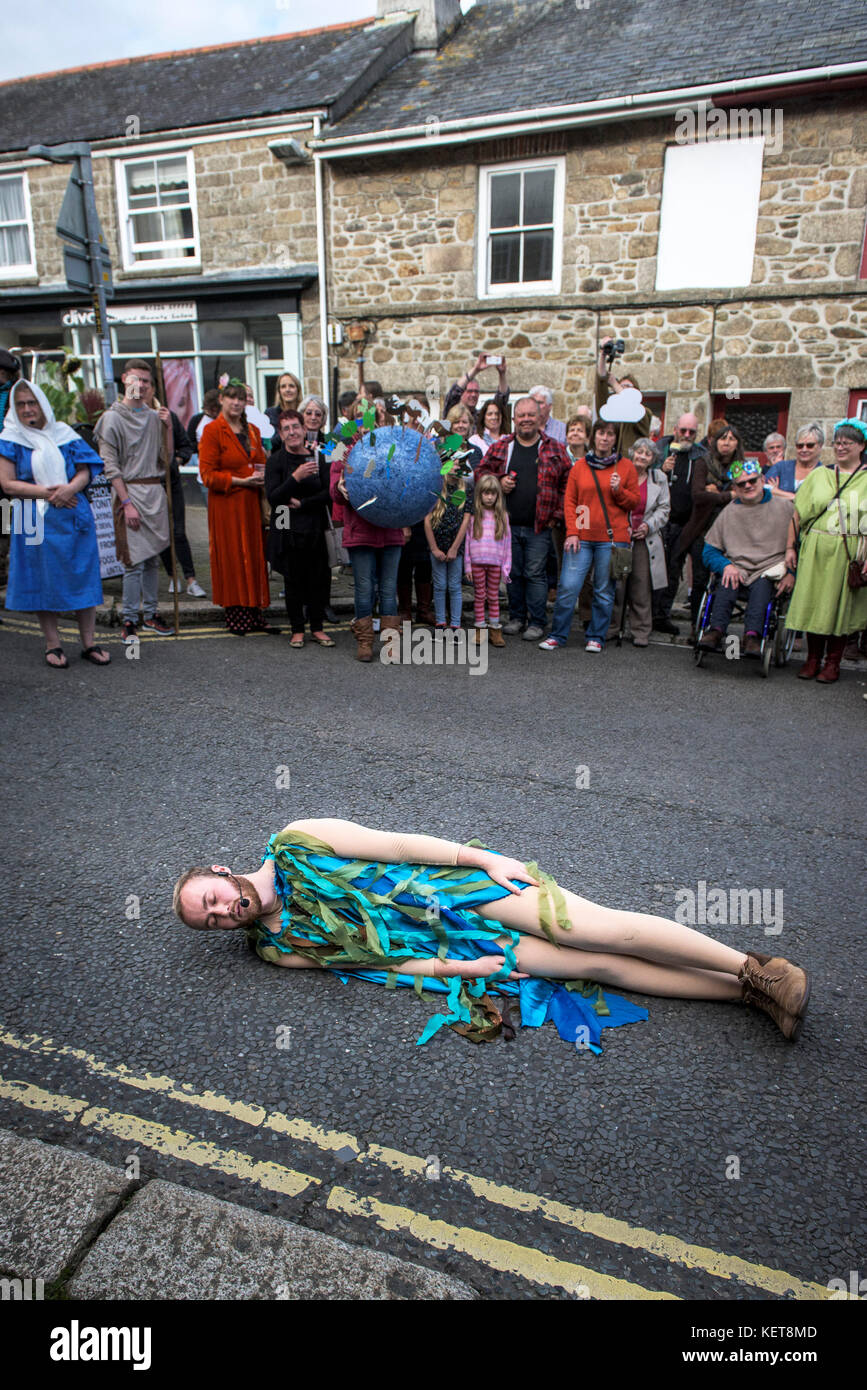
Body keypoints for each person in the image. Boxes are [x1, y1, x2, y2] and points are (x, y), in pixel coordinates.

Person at [173, 817, 812, 1044]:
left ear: (224, 874)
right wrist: (468, 972)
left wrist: (480, 860)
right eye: (209, 919)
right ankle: (749, 996)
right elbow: (380, 968)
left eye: (211, 897)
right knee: (596, 968)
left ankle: (758, 967)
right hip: (457, 946)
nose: (219, 911)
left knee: (599, 933)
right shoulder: (277, 949)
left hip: (463, 892)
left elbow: (396, 846)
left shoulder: (295, 841)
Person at [0, 380, 109, 667]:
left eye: (31, 402)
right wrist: (53, 493)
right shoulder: (10, 438)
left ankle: (89, 643)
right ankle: (53, 645)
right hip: (31, 516)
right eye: (20, 404)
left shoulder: (64, 433)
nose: (26, 409)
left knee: (82, 574)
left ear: (42, 404)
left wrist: (70, 490)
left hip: (72, 511)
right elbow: (7, 484)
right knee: (41, 579)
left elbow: (86, 471)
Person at [539, 418, 639, 653]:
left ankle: (596, 635)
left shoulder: (626, 468)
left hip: (612, 538)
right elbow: (570, 502)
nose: (605, 438)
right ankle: (558, 635)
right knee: (568, 587)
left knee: (604, 590)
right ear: (593, 436)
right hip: (582, 536)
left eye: (610, 434)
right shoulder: (580, 467)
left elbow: (633, 502)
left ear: (616, 439)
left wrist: (619, 490)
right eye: (601, 433)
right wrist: (572, 532)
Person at [476, 397, 571, 641]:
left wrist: (556, 517)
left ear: (540, 417)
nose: (526, 420)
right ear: (515, 419)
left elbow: (567, 486)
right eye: (521, 416)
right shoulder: (501, 446)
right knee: (512, 573)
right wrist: (498, 481)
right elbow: (480, 474)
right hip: (506, 525)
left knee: (535, 574)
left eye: (531, 415)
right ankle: (517, 618)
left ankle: (537, 622)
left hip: (539, 526)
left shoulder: (555, 448)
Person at [94, 359, 174, 643]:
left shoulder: (155, 417)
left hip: (154, 492)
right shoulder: (112, 418)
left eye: (146, 381)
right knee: (134, 563)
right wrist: (126, 503)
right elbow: (110, 466)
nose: (140, 385)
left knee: (153, 559)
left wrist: (168, 428)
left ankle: (150, 613)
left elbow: (167, 459)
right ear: (125, 380)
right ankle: (129, 618)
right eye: (135, 380)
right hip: (130, 493)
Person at [784, 419, 867, 684]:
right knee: (813, 604)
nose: (841, 448)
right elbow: (797, 515)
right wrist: (790, 548)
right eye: (838, 442)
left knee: (838, 608)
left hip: (847, 552)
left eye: (847, 443)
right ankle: (812, 659)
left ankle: (833, 663)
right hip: (815, 548)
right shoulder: (820, 475)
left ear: (861, 446)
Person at [198, 382, 276, 637]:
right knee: (232, 558)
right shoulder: (212, 431)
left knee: (254, 558)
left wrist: (263, 475)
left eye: (241, 398)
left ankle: (255, 612)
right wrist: (241, 481)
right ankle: (237, 614)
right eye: (231, 397)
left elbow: (261, 462)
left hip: (252, 505)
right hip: (226, 506)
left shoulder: (252, 431)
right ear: (221, 399)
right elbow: (207, 475)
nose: (236, 403)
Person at [697, 459, 794, 656]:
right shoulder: (729, 511)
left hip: (769, 567)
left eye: (752, 481)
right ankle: (715, 631)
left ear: (762, 479)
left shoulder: (785, 508)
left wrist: (791, 572)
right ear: (735, 487)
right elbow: (709, 550)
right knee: (727, 579)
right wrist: (724, 565)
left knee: (763, 585)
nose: (748, 486)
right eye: (742, 484)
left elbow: (798, 547)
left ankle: (752, 636)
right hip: (737, 566)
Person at [265, 410, 333, 649]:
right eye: (286, 429)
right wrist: (295, 477)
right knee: (293, 580)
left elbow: (328, 494)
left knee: (318, 579)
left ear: (305, 429)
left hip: (314, 523)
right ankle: (297, 629)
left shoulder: (319, 456)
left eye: (296, 427)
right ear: (281, 434)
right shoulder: (275, 461)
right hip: (286, 523)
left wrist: (303, 503)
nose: (292, 432)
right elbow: (274, 498)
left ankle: (317, 628)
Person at [331, 449, 405, 663]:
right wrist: (339, 487)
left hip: (390, 531)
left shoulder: (394, 448)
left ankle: (390, 643)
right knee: (364, 589)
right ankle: (365, 642)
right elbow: (336, 495)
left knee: (389, 590)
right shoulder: (345, 454)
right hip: (361, 532)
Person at [675, 422, 739, 633]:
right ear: (714, 441)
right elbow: (698, 495)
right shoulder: (704, 462)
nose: (726, 443)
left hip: (731, 531)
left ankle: (718, 627)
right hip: (702, 529)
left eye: (731, 439)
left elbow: (746, 497)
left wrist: (714, 493)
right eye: (723, 438)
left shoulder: (742, 466)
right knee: (700, 580)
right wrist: (727, 494)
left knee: (724, 579)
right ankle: (696, 625)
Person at [651, 413, 708, 635]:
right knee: (660, 571)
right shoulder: (662, 447)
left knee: (675, 570)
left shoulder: (701, 455)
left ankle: (668, 616)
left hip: (689, 522)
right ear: (675, 429)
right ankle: (653, 615)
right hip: (663, 520)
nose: (686, 435)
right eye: (682, 430)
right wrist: (661, 470)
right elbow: (645, 476)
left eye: (691, 432)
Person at [618, 438, 670, 648]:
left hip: (644, 539)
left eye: (647, 454)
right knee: (617, 584)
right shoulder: (620, 475)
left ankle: (640, 630)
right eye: (639, 452)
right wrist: (623, 525)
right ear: (632, 453)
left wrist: (648, 525)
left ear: (652, 459)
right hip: (621, 537)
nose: (642, 456)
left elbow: (664, 508)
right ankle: (612, 627)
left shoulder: (659, 479)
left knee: (641, 585)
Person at [424, 460, 473, 632]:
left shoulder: (466, 489)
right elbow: (427, 520)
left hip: (455, 546)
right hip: (437, 545)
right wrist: (434, 548)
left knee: (454, 585)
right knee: (439, 585)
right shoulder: (435, 487)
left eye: (459, 465)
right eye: (453, 464)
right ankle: (440, 621)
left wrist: (454, 548)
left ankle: (455, 623)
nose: (456, 468)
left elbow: (466, 520)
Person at [464, 473, 511, 647]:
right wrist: (467, 566)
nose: (489, 497)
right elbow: (468, 541)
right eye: (486, 493)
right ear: (479, 494)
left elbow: (507, 543)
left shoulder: (503, 516)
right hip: (477, 562)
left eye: (493, 494)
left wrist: (506, 567)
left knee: (493, 596)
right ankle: (479, 629)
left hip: (495, 563)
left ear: (498, 495)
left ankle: (495, 629)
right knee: (479, 595)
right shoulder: (474, 516)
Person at [595, 337, 652, 457]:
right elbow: (601, 383)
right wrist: (603, 355)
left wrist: (615, 384)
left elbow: (631, 402)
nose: (623, 389)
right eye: (622, 386)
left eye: (628, 387)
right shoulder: (611, 411)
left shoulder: (643, 413)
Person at [765, 423, 823, 499]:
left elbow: (815, 500)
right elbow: (763, 489)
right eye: (800, 446)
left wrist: (777, 492)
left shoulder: (823, 474)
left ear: (820, 446)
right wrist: (795, 497)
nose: (804, 449)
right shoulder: (781, 467)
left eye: (810, 445)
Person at [443, 353, 509, 418]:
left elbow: (501, 402)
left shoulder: (481, 418)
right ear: (461, 393)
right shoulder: (452, 415)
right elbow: (453, 394)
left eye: (476, 391)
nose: (473, 394)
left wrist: (502, 373)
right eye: (470, 391)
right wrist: (476, 369)